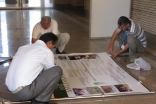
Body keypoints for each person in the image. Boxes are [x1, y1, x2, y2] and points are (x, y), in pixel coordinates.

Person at [5, 32, 63, 104]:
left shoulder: (24, 47)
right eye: (54, 47)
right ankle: (40, 101)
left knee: (37, 71)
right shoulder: (46, 51)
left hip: (10, 89)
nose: (52, 49)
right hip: (23, 92)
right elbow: (51, 71)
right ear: (49, 43)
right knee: (57, 71)